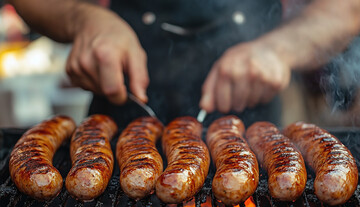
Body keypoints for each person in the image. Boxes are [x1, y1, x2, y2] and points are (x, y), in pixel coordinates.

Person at [8, 0, 360, 127]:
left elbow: (347, 6)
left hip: (252, 131)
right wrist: (81, 19)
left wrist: (280, 49)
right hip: (117, 117)